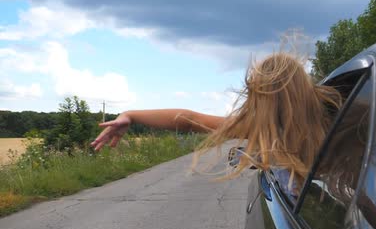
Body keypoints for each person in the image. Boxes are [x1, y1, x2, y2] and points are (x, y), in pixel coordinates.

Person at [91, 52, 342, 191]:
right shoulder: (341, 122)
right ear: (303, 88)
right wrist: (131, 115)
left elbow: (189, 120)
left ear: (261, 98)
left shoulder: (257, 127)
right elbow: (188, 120)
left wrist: (131, 116)